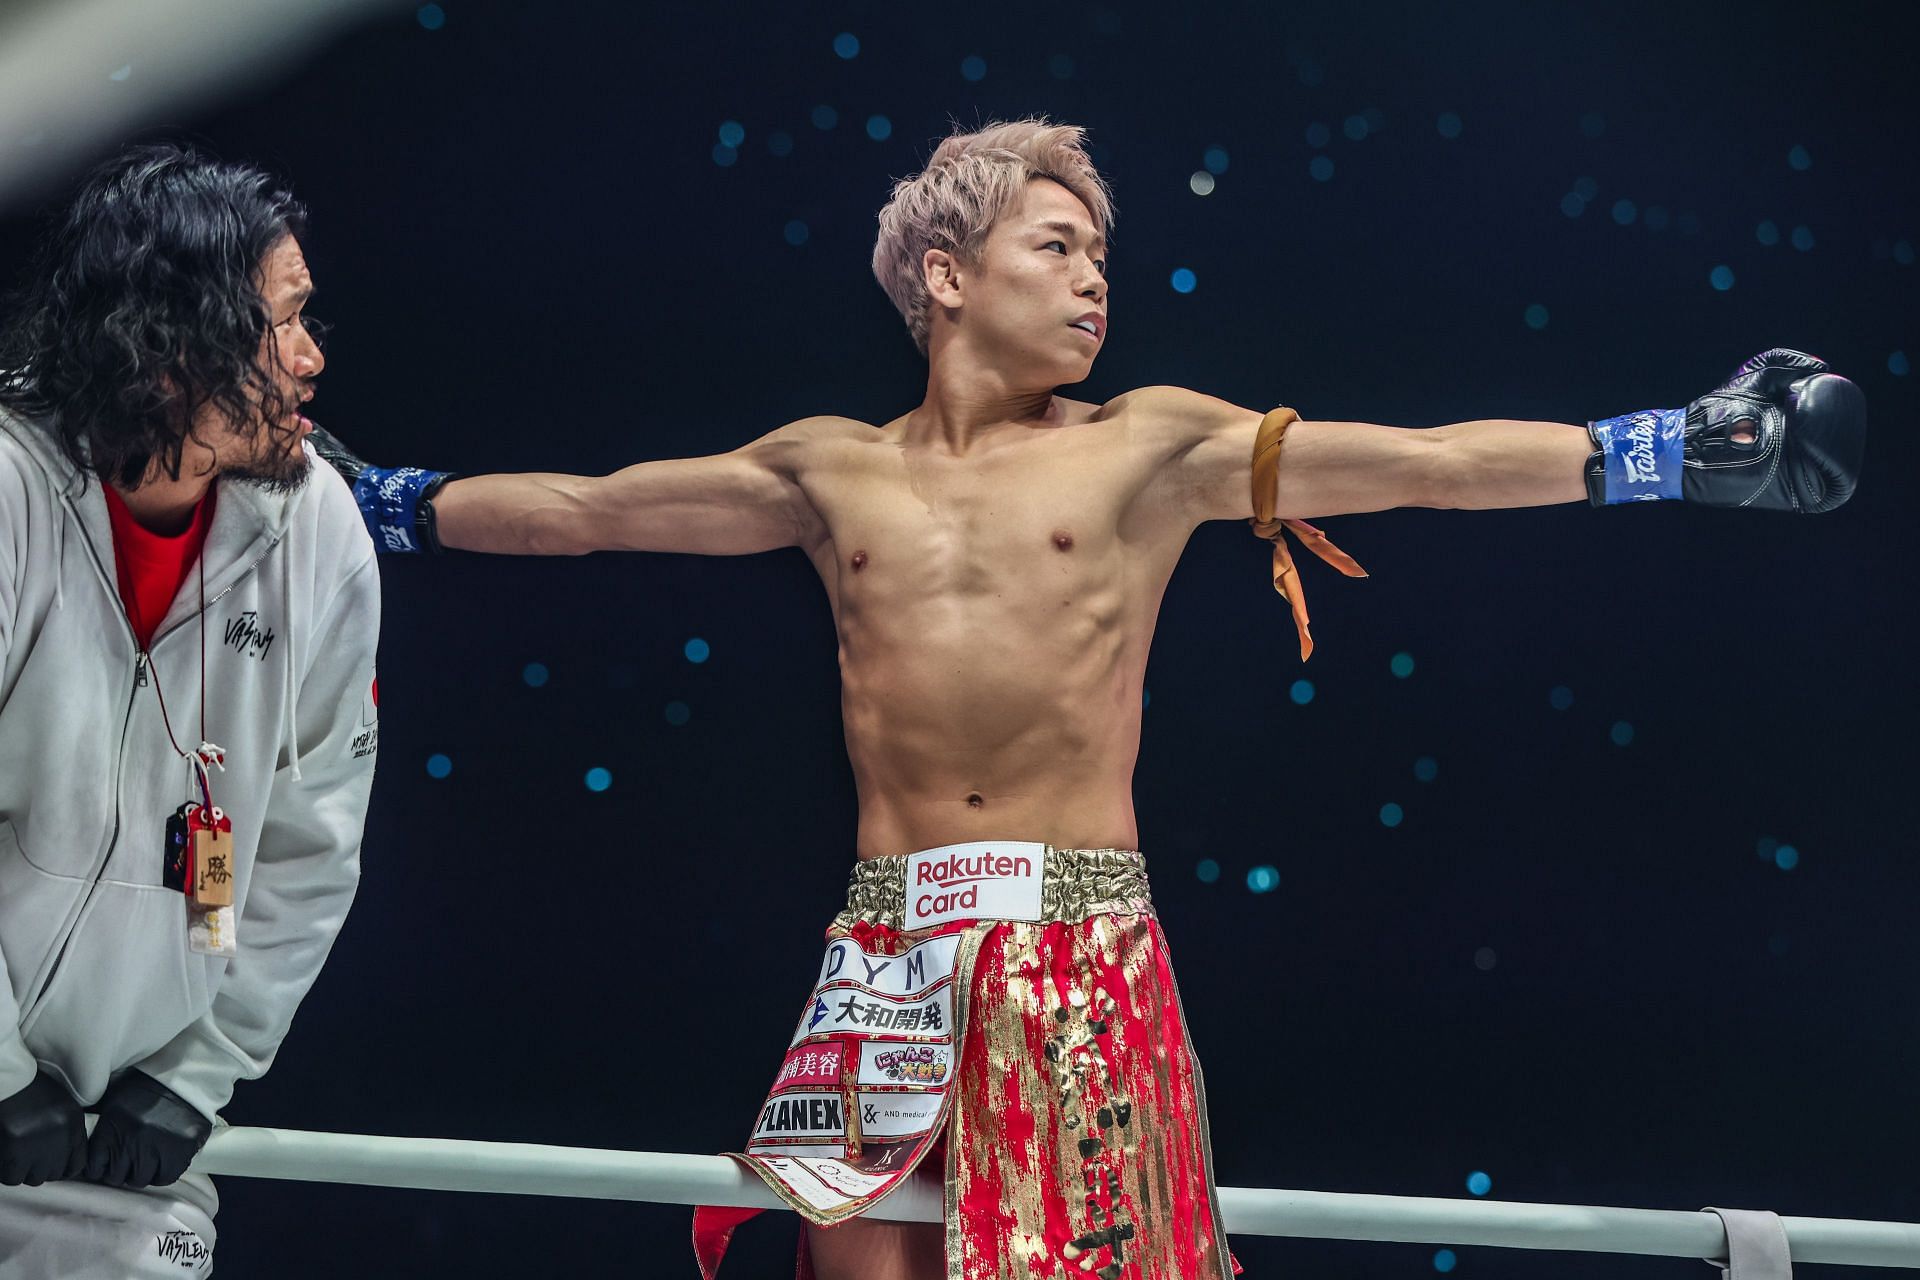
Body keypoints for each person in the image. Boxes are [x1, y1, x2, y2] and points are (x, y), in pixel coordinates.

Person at [317, 119, 1864, 1280]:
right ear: (945, 275)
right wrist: (378, 500)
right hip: (885, 948)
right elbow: (587, 511)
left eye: (1098, 253)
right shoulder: (823, 468)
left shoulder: (1149, 443)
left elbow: (1428, 466)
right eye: (1054, 245)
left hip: (1079, 941)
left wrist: (1660, 448)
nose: (1093, 277)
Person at [0, 145, 380, 1277]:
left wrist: (194, 1073)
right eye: (287, 322)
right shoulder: (10, 492)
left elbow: (313, 840)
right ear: (171, 347)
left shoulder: (320, 533)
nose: (314, 359)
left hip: (124, 1153)